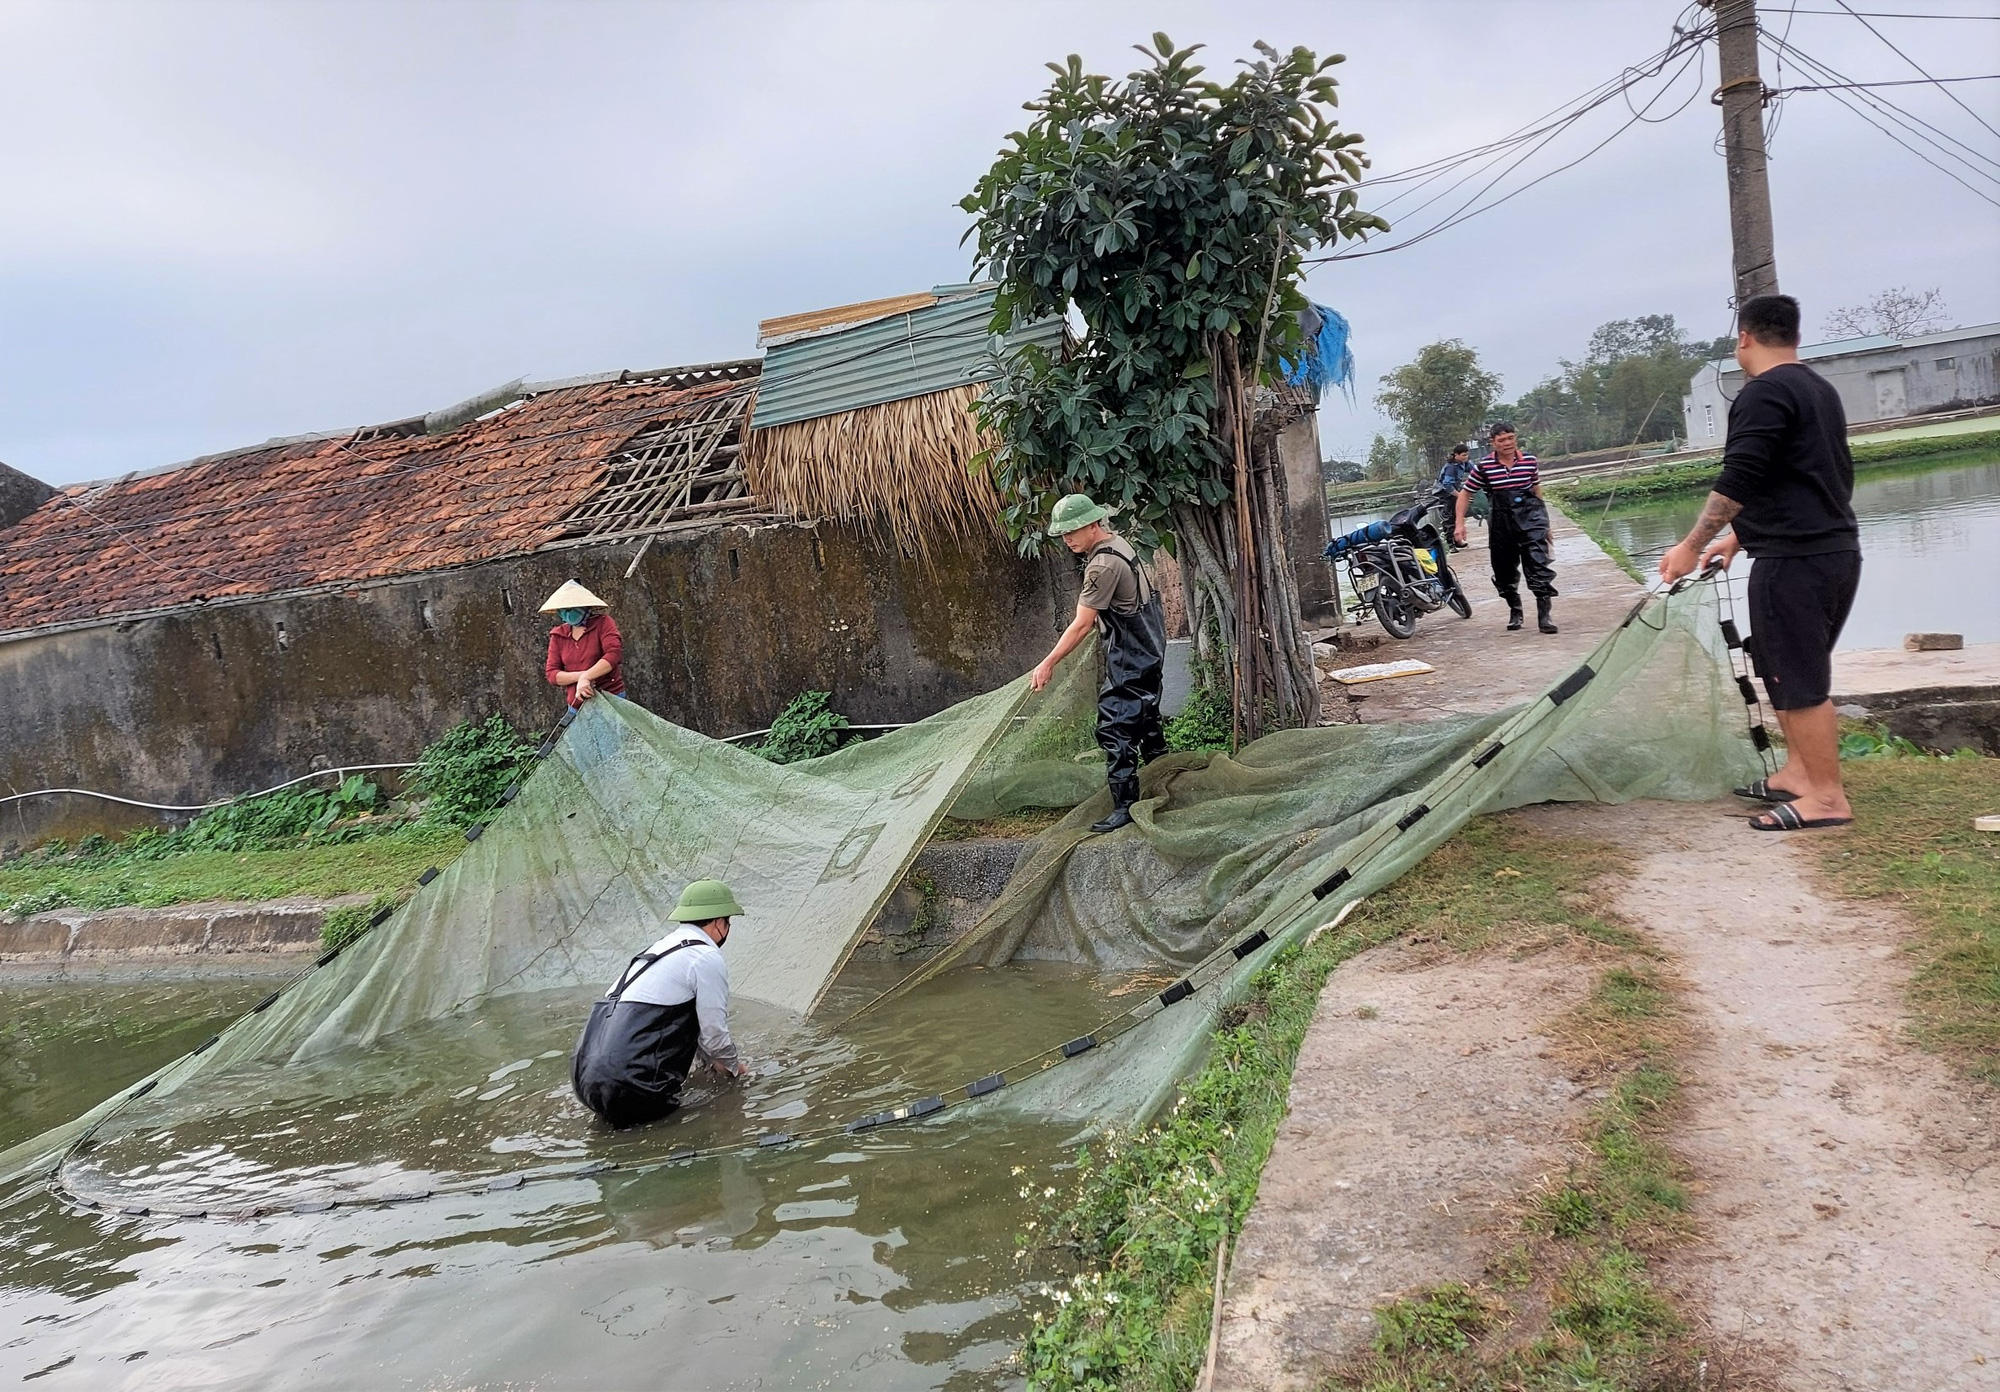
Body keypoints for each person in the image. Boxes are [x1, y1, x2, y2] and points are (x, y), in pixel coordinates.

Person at [1658, 293, 1859, 832]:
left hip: (1795, 560)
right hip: (1834, 552)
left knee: (1798, 677)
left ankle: (1827, 798)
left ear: (1743, 336)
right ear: (1793, 334)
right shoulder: (1817, 388)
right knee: (1781, 665)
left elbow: (1740, 478)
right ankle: (1798, 773)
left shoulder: (1765, 392)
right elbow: (1804, 478)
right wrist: (1740, 537)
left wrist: (1692, 544)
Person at [1029, 493, 1168, 834]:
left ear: (1093, 524)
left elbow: (1081, 624)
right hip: (1150, 645)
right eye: (1063, 533)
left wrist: (1048, 663)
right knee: (1146, 714)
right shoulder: (1118, 543)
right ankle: (1163, 770)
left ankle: (1124, 806)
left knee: (1115, 727)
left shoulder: (1101, 566)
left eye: (1074, 530)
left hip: (1131, 654)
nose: (1067, 538)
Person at [571, 879, 751, 1129]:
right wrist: (734, 1070)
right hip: (633, 1086)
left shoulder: (660, 950)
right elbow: (714, 1034)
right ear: (719, 922)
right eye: (728, 922)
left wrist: (710, 1064)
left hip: (585, 1079)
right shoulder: (706, 957)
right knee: (706, 1128)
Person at [1454, 423, 1558, 633]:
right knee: (1503, 573)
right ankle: (1515, 609)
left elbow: (1536, 490)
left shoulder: (1529, 461)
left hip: (1531, 520)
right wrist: (1459, 524)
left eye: (1510, 438)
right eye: (1502, 440)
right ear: (1493, 443)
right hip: (1502, 524)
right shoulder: (1484, 466)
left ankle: (1544, 616)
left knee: (1538, 566)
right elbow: (1465, 493)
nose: (1508, 443)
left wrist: (1545, 525)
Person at [541, 580, 625, 708]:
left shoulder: (603, 623)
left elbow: (613, 654)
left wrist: (587, 677)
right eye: (563, 610)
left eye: (571, 609)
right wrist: (582, 677)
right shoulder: (558, 635)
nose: (567, 613)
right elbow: (552, 674)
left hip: (611, 700)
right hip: (577, 705)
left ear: (584, 606)